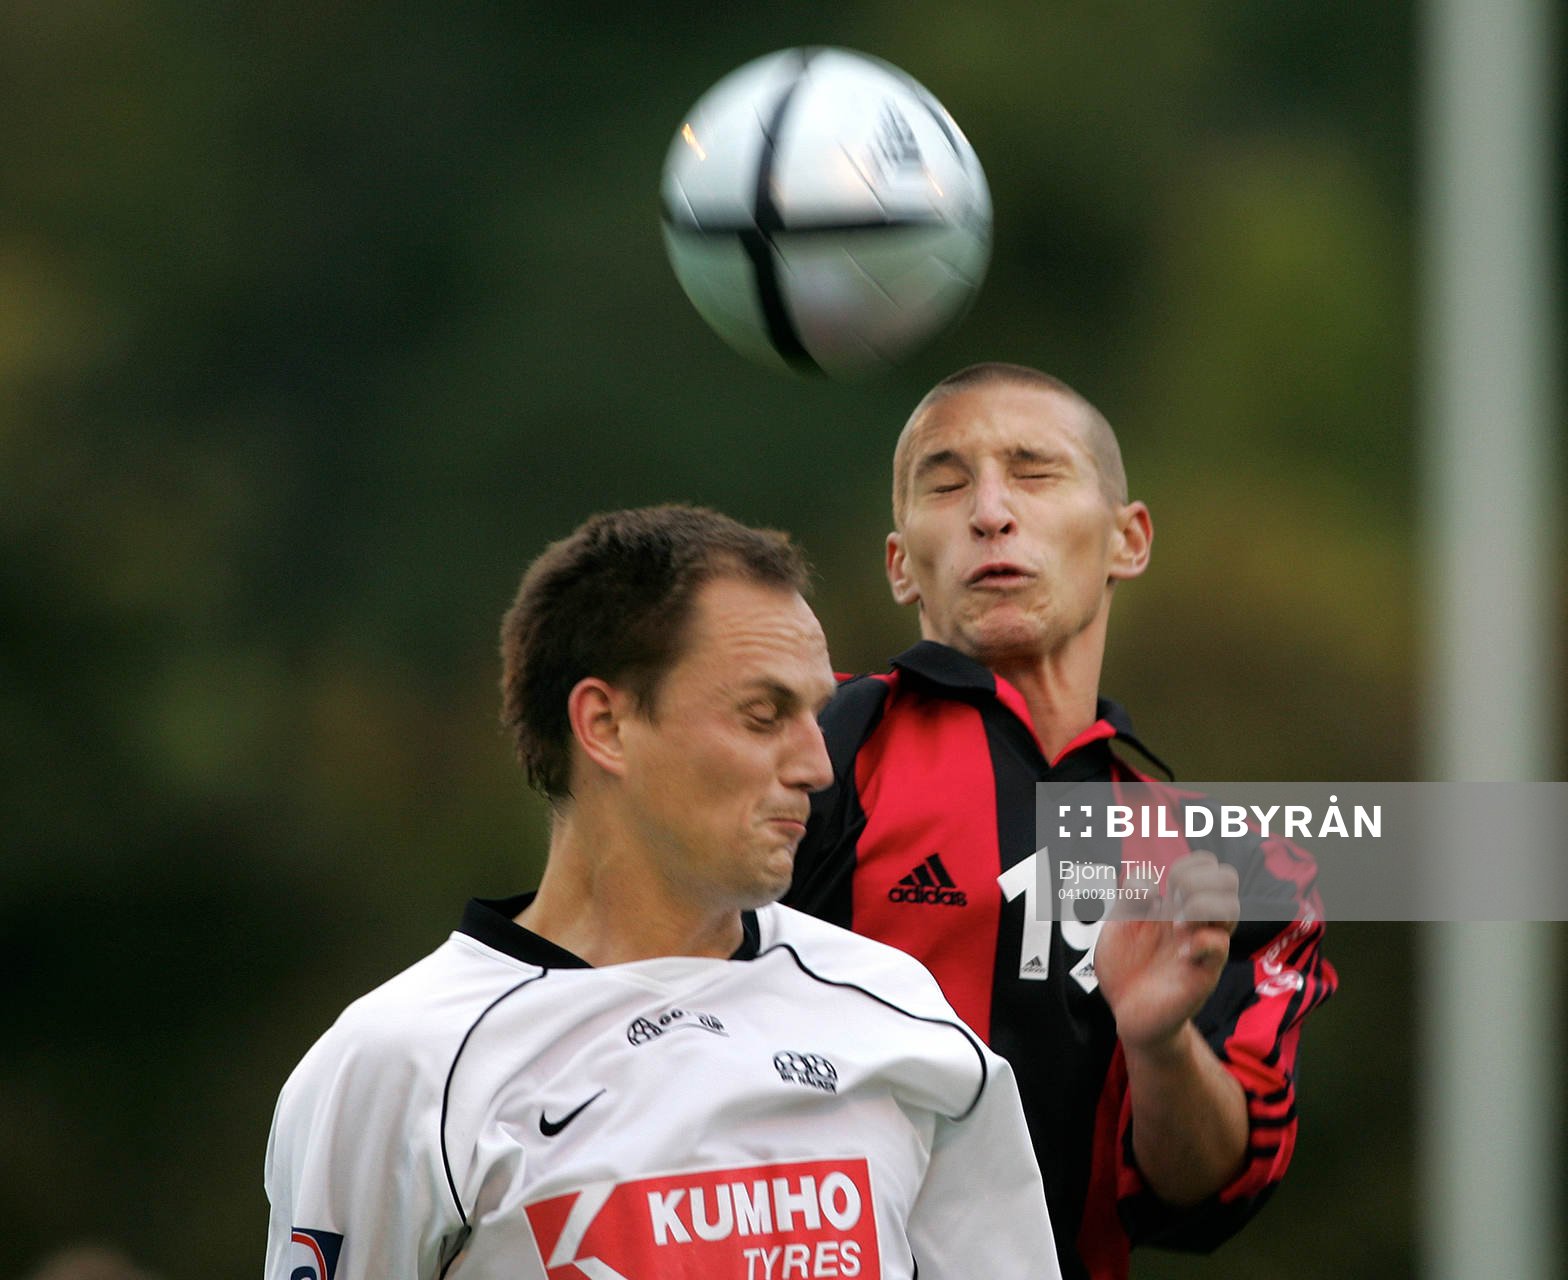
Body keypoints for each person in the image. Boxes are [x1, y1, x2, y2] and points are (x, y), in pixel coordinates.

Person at [264, 505, 1062, 1280]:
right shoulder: (397, 1066)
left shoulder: (898, 1010)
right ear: (604, 726)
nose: (817, 767)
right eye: (763, 714)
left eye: (815, 715)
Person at [784, 364, 1337, 1280]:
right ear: (898, 563)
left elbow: (1203, 1193)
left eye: (1033, 473)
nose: (990, 511)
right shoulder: (811, 755)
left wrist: (1157, 1043)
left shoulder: (1235, 862)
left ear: (1129, 539)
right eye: (947, 481)